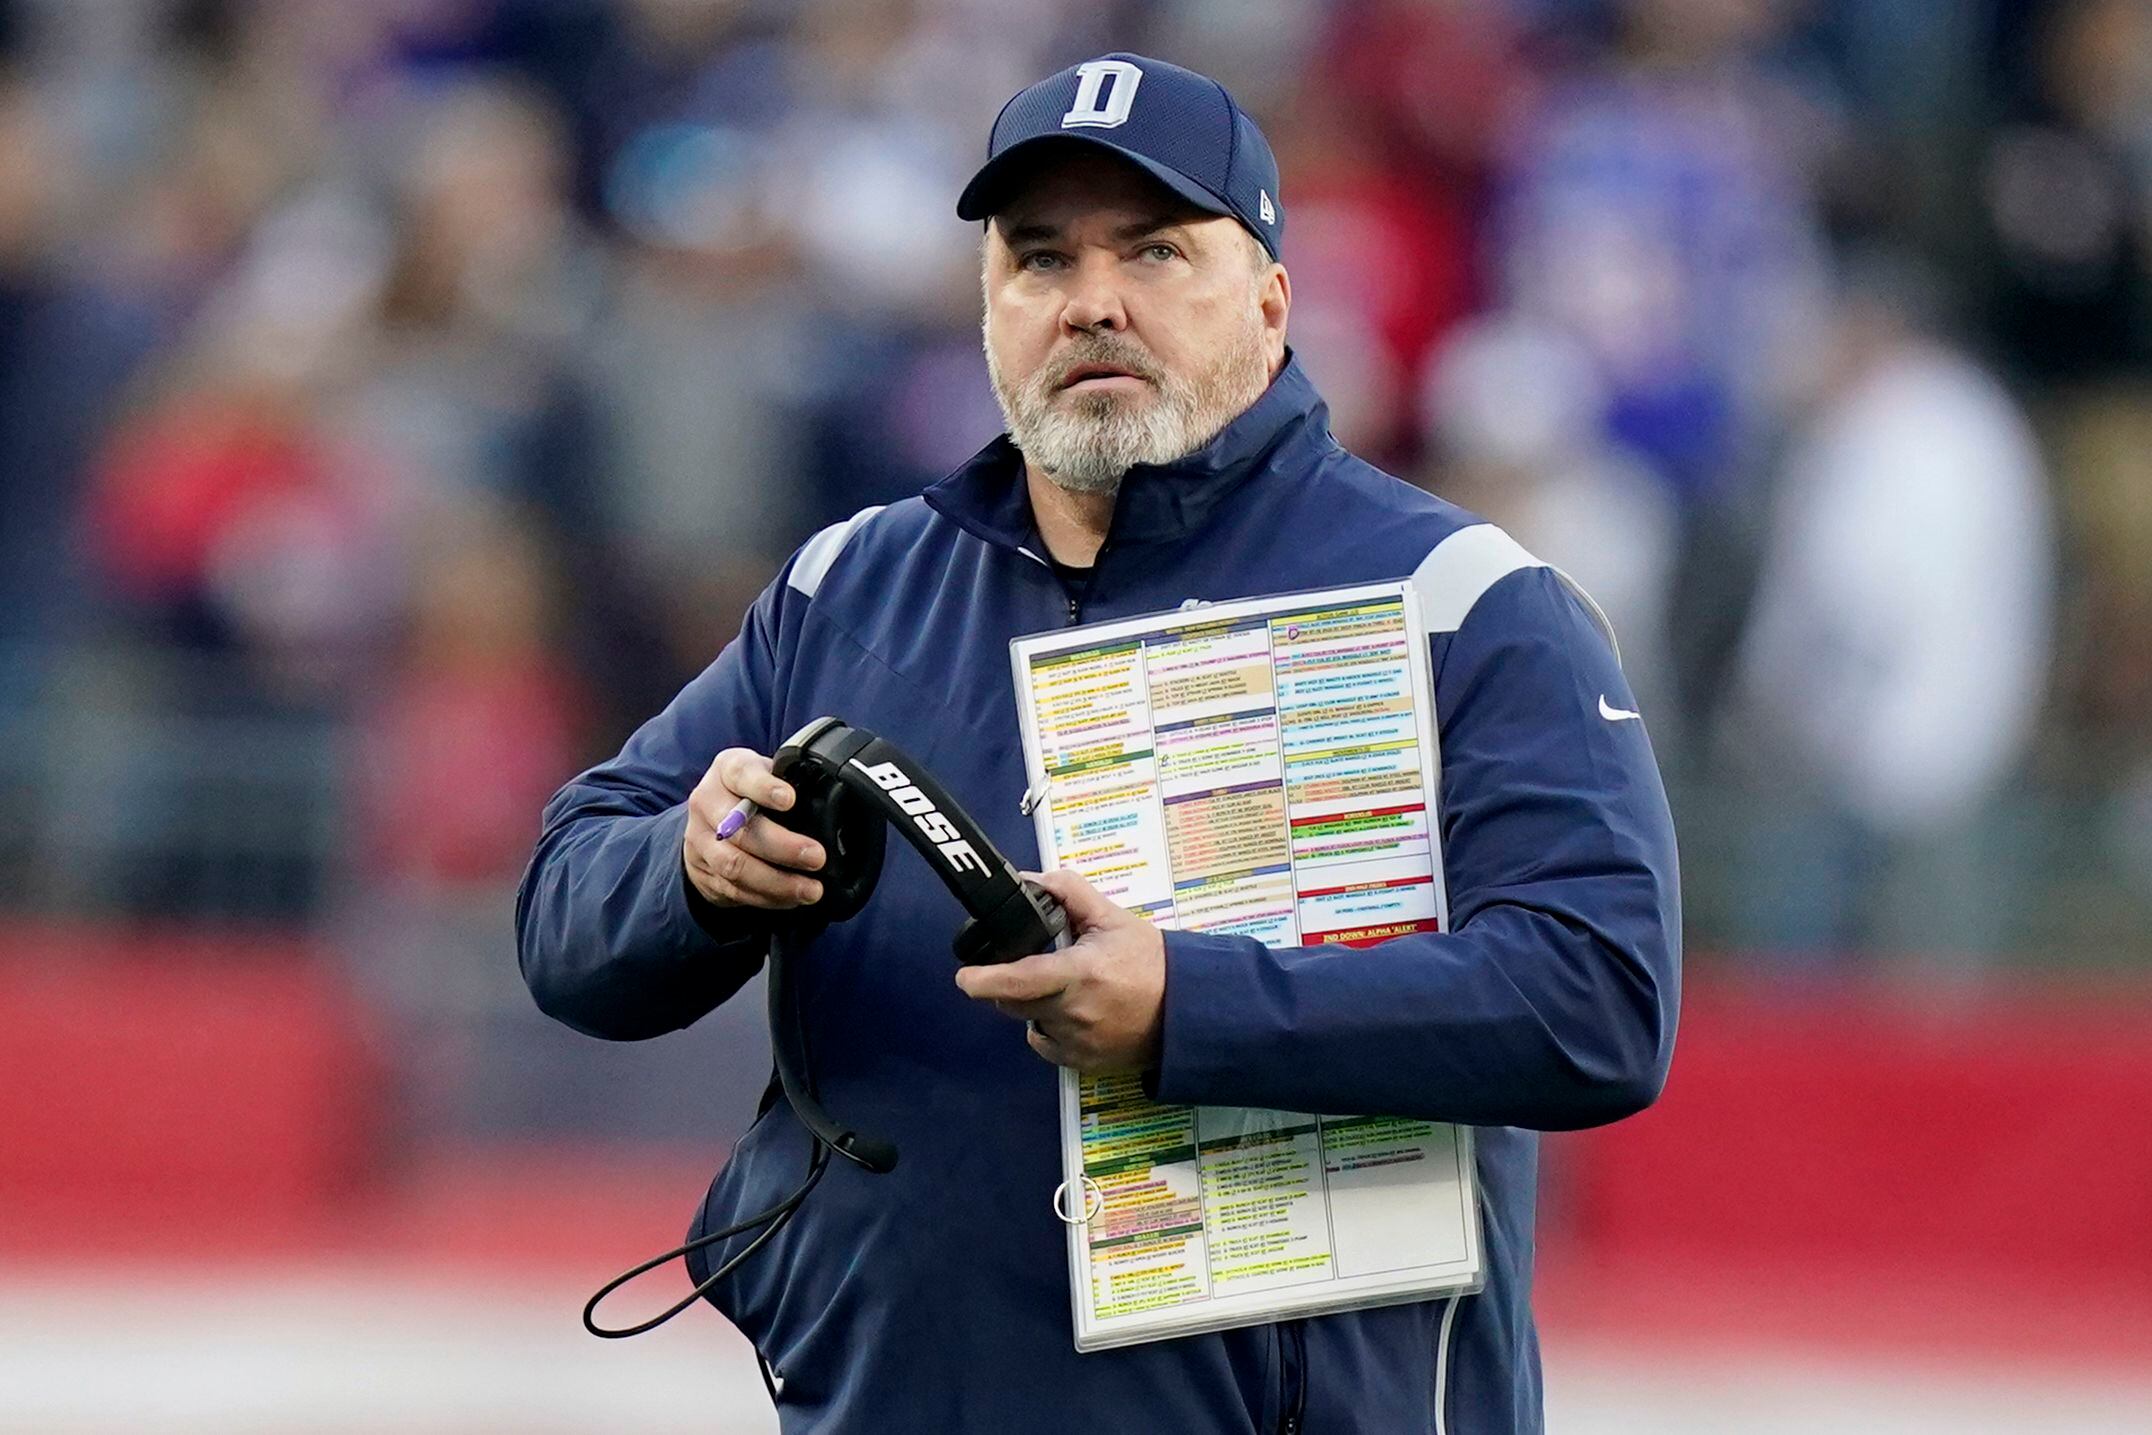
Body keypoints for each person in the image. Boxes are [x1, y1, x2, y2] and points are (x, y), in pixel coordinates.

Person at [516, 53, 1680, 1435]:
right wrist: (695, 870)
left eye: (1156, 251)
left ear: (1271, 299)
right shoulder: (852, 588)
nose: (1094, 301)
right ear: (989, 306)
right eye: (1041, 257)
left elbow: (1599, 997)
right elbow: (566, 912)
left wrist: (1189, 1007)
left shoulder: (1464, 602)